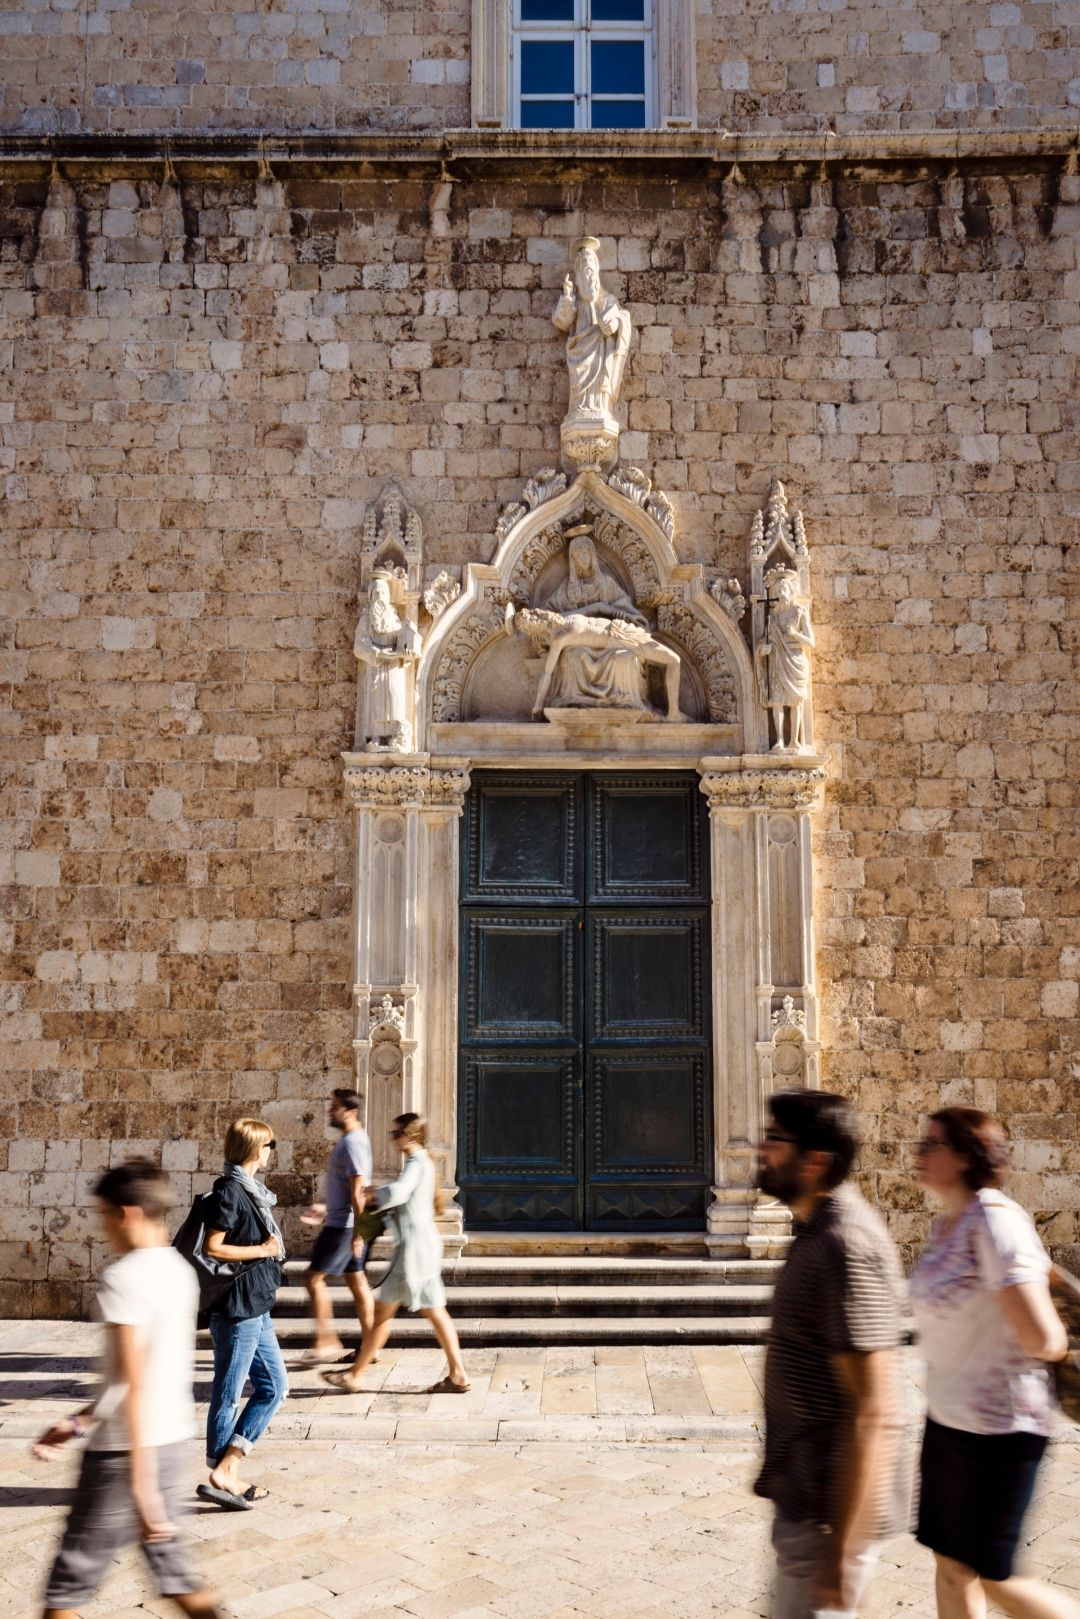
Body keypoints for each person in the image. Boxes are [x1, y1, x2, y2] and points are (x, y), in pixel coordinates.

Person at [33, 1159, 224, 1619]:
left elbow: (133, 1384)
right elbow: (135, 1373)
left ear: (128, 1214)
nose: (102, 1229)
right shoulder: (179, 1270)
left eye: (103, 1216)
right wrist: (80, 1419)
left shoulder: (125, 1278)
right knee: (177, 1579)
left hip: (123, 1454)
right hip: (170, 1440)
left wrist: (141, 1490)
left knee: (64, 1594)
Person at [910, 1107, 1077, 1619]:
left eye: (931, 1144)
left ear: (964, 1156)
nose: (919, 1153)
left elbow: (1045, 1337)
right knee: (951, 1567)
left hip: (1001, 1432)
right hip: (949, 1423)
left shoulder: (996, 1222)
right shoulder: (949, 1225)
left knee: (994, 1579)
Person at [754, 1090, 908, 1619]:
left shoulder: (844, 1245)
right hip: (811, 1507)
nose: (759, 1148)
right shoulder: (816, 1230)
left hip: (825, 1517)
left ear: (814, 1161)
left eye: (774, 1139)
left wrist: (840, 1553)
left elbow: (875, 1410)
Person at [321, 1113, 468, 1395]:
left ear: (409, 1135)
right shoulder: (423, 1162)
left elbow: (399, 1193)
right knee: (436, 1312)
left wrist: (373, 1193)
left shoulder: (415, 1162)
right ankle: (458, 1373)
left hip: (412, 1252)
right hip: (423, 1247)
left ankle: (356, 1375)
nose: (392, 1139)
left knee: (383, 1316)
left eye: (395, 1133)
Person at [197, 1118, 288, 1511]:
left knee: (275, 1387)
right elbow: (214, 1247)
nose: (272, 1152)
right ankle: (223, 1474)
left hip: (255, 1306)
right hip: (237, 1309)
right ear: (255, 1148)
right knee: (229, 1393)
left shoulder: (252, 1192)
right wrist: (263, 1251)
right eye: (270, 1145)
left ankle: (227, 1469)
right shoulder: (232, 1191)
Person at [299, 1088, 376, 1367]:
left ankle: (326, 1341)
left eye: (336, 1107)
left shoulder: (354, 1142)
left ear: (351, 1112)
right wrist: (323, 1204)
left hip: (343, 1227)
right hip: (343, 1221)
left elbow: (358, 1190)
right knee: (357, 1283)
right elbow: (344, 1187)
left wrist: (357, 1232)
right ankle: (371, 1346)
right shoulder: (351, 1140)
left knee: (312, 1279)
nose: (331, 1111)